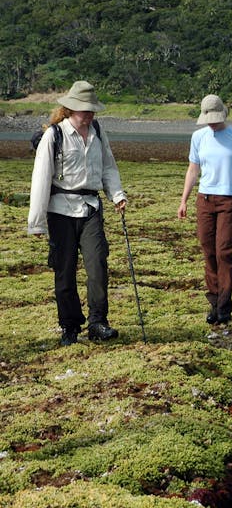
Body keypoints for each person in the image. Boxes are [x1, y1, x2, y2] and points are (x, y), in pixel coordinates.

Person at [28, 80, 127, 346]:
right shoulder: (54, 135)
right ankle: (70, 327)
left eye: (92, 109)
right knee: (64, 270)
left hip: (91, 208)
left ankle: (97, 322)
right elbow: (41, 178)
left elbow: (109, 166)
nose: (90, 114)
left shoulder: (97, 131)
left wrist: (117, 195)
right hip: (60, 211)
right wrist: (36, 223)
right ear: (71, 109)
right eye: (85, 109)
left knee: (97, 265)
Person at [178, 94, 232, 324]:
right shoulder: (198, 137)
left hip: (229, 200)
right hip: (205, 199)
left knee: (225, 252)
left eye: (214, 118)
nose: (211, 122)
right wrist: (184, 200)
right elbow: (193, 170)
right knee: (208, 250)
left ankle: (224, 306)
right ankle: (214, 302)